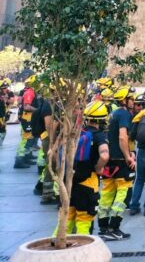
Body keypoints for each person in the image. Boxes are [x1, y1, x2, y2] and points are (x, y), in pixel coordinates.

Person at [56, 100, 110, 235]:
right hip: (88, 183)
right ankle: (82, 249)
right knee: (84, 220)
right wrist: (98, 168)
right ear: (103, 120)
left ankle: (57, 248)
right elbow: (104, 155)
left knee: (66, 219)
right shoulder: (99, 136)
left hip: (69, 180)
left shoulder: (77, 132)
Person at [97, 86, 137, 240]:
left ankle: (103, 227)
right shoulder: (125, 114)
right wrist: (128, 156)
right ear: (124, 100)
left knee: (107, 192)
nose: (133, 101)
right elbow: (122, 137)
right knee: (123, 194)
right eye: (131, 98)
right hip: (120, 160)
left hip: (109, 159)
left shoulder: (113, 113)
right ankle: (114, 227)